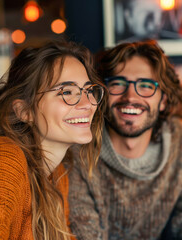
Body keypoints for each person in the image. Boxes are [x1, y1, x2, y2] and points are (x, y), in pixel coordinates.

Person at [0, 39, 106, 240]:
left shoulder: (56, 172)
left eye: (88, 90)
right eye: (67, 92)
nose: (88, 104)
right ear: (24, 111)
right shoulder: (7, 159)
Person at [68, 40, 182, 240]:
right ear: (102, 95)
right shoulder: (79, 153)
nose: (130, 97)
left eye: (146, 85)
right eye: (118, 83)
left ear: (163, 100)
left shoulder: (178, 143)